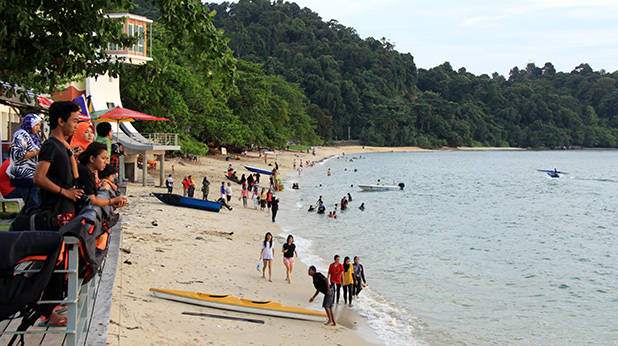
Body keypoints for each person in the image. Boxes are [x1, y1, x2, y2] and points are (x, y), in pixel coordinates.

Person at [31, 101, 82, 327]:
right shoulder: (51, 145)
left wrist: (70, 150)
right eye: (73, 121)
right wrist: (65, 193)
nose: (76, 125)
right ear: (60, 121)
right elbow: (39, 177)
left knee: (62, 261)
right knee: (54, 262)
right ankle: (46, 311)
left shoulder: (62, 145)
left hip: (66, 210)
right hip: (55, 211)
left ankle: (53, 303)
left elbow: (75, 175)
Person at [75, 142, 127, 210]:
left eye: (106, 159)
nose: (106, 162)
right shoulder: (85, 172)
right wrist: (112, 201)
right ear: (92, 159)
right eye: (103, 158)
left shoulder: (89, 172)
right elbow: (92, 200)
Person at [7, 113, 43, 211]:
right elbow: (18, 154)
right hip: (24, 175)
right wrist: (37, 152)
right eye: (36, 125)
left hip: (34, 174)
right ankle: (21, 224)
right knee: (32, 203)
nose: (38, 128)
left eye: (39, 125)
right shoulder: (21, 134)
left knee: (34, 202)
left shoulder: (34, 136)